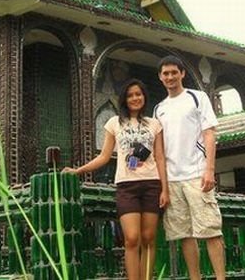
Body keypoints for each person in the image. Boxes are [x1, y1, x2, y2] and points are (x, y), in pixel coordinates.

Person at [64, 79, 168, 280]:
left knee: (148, 238)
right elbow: (104, 156)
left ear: (144, 97)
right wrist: (79, 171)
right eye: (130, 95)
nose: (135, 98)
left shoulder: (154, 124)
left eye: (138, 94)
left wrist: (165, 189)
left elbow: (161, 157)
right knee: (131, 239)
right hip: (126, 186)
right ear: (124, 99)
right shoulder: (114, 123)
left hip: (151, 185)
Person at [154, 55, 225, 279]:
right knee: (185, 234)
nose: (170, 77)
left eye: (174, 72)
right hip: (172, 179)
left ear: (182, 73)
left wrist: (209, 170)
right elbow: (158, 149)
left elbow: (210, 133)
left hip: (197, 175)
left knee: (211, 231)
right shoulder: (159, 109)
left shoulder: (197, 97)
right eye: (165, 73)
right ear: (160, 77)